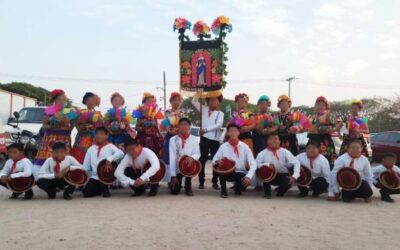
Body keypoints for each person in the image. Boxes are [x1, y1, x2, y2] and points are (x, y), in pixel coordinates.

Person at [34, 89, 74, 172]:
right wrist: (53, 126)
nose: (62, 101)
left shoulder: (69, 110)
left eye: (64, 99)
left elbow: (72, 124)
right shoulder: (49, 110)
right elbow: (44, 125)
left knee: (64, 159)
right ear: (54, 100)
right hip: (51, 138)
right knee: (49, 159)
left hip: (65, 138)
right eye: (59, 99)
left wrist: (69, 127)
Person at [212, 124, 257, 198]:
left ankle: (238, 187)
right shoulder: (223, 146)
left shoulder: (245, 146)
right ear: (228, 133)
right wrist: (218, 162)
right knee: (221, 168)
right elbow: (214, 159)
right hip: (227, 172)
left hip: (240, 172)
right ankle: (223, 191)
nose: (233, 132)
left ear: (238, 133)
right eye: (231, 130)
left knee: (239, 190)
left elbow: (253, 163)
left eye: (235, 130)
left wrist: (249, 176)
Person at [191, 91, 224, 190]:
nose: (213, 101)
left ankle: (215, 181)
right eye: (211, 100)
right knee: (202, 160)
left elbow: (218, 125)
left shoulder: (220, 113)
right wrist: (198, 92)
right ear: (208, 101)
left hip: (215, 139)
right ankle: (201, 181)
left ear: (219, 102)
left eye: (215, 100)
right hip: (204, 138)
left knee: (216, 160)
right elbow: (194, 101)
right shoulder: (204, 109)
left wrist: (206, 130)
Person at [82, 126, 124, 198]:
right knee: (86, 193)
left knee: (104, 181)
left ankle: (104, 188)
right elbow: (85, 166)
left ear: (106, 136)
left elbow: (121, 153)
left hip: (107, 175)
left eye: (102, 134)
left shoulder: (110, 146)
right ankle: (101, 189)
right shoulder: (91, 148)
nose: (99, 136)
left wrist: (110, 158)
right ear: (95, 135)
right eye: (97, 134)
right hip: (95, 176)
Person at [255, 134, 300, 198]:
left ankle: (280, 191)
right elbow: (255, 165)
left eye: (275, 139)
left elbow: (296, 162)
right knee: (264, 171)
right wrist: (266, 165)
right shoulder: (262, 153)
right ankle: (267, 193)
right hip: (269, 175)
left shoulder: (285, 152)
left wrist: (295, 176)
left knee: (287, 181)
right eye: (270, 139)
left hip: (282, 174)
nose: (273, 141)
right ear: (267, 141)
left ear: (279, 141)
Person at [169, 118, 200, 196]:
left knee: (189, 165)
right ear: (178, 126)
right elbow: (172, 158)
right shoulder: (173, 139)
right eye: (181, 124)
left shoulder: (194, 139)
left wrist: (192, 158)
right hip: (177, 167)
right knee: (175, 191)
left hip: (189, 165)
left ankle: (188, 186)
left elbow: (197, 153)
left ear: (189, 127)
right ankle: (173, 182)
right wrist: (173, 176)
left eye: (186, 124)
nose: (183, 126)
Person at [308, 96, 342, 168]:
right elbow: (307, 128)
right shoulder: (312, 117)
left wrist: (334, 130)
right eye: (318, 105)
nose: (320, 106)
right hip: (313, 141)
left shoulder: (330, 115)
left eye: (322, 105)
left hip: (325, 142)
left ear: (326, 106)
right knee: (312, 162)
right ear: (315, 106)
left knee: (327, 161)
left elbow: (338, 124)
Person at [72, 92, 103, 163]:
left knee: (93, 156)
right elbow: (74, 122)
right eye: (88, 100)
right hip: (82, 136)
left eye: (93, 100)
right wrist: (79, 128)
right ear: (85, 102)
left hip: (94, 138)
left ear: (96, 102)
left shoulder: (99, 114)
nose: (90, 102)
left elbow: (101, 126)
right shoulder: (80, 112)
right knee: (80, 155)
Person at [161, 92, 185, 182]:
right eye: (174, 100)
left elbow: (183, 125)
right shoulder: (168, 112)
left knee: (179, 156)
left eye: (178, 100)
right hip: (169, 137)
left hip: (179, 137)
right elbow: (166, 125)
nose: (176, 102)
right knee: (169, 156)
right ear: (170, 101)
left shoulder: (182, 113)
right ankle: (169, 179)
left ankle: (179, 178)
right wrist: (170, 131)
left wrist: (180, 132)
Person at [133, 92, 164, 157]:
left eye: (153, 102)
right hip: (142, 140)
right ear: (144, 103)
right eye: (148, 101)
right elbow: (136, 127)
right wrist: (144, 127)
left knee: (154, 158)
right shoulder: (140, 115)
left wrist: (155, 124)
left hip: (154, 140)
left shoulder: (156, 115)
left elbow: (159, 128)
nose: (151, 103)